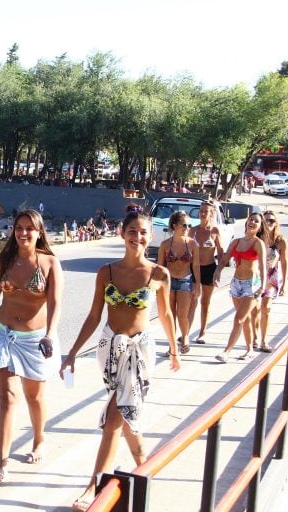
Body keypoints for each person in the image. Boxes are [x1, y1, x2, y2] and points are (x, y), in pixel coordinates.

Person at [61, 204, 180, 512]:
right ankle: (146, 467)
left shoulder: (158, 274)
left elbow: (165, 313)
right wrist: (72, 352)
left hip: (140, 351)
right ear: (121, 234)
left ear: (151, 235)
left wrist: (175, 348)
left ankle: (93, 487)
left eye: (143, 232)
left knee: (115, 418)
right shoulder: (107, 272)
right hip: (109, 349)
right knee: (126, 417)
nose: (137, 237)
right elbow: (92, 316)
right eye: (131, 232)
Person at [0, 209, 63, 486]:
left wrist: (50, 333)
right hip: (4, 335)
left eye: (29, 229)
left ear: (39, 232)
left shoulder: (50, 263)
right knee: (7, 397)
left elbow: (56, 303)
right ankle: (3, 463)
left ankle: (39, 440)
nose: (23, 233)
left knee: (34, 397)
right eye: (19, 228)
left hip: (34, 339)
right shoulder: (4, 262)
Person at [213, 212, 266, 362]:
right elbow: (224, 260)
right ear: (246, 222)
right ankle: (249, 349)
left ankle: (226, 351)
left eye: (256, 222)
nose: (253, 223)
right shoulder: (236, 242)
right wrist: (217, 272)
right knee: (245, 319)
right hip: (236, 284)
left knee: (238, 319)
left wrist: (263, 286)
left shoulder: (258, 243)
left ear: (260, 227)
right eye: (251, 220)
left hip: (252, 285)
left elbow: (262, 266)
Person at [157, 210, 200, 355]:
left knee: (183, 314)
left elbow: (195, 266)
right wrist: (157, 285)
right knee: (170, 315)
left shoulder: (193, 244)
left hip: (185, 280)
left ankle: (185, 338)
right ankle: (172, 345)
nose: (187, 228)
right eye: (184, 225)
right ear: (175, 226)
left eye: (189, 225)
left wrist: (197, 285)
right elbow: (160, 267)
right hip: (168, 282)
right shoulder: (165, 245)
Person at [249, 210, 288, 352]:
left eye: (272, 220)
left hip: (271, 278)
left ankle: (264, 341)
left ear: (276, 223)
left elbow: (284, 262)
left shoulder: (281, 241)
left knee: (266, 309)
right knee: (254, 310)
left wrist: (285, 283)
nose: (269, 223)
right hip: (256, 278)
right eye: (266, 221)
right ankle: (254, 338)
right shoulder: (256, 239)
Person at [188, 201, 225, 344]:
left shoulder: (214, 231)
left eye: (206, 211)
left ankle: (202, 332)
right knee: (193, 301)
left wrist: (218, 271)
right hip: (194, 269)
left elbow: (221, 252)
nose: (203, 213)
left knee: (205, 302)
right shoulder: (193, 231)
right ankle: (186, 332)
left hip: (209, 268)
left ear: (211, 214)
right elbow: (187, 250)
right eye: (201, 211)